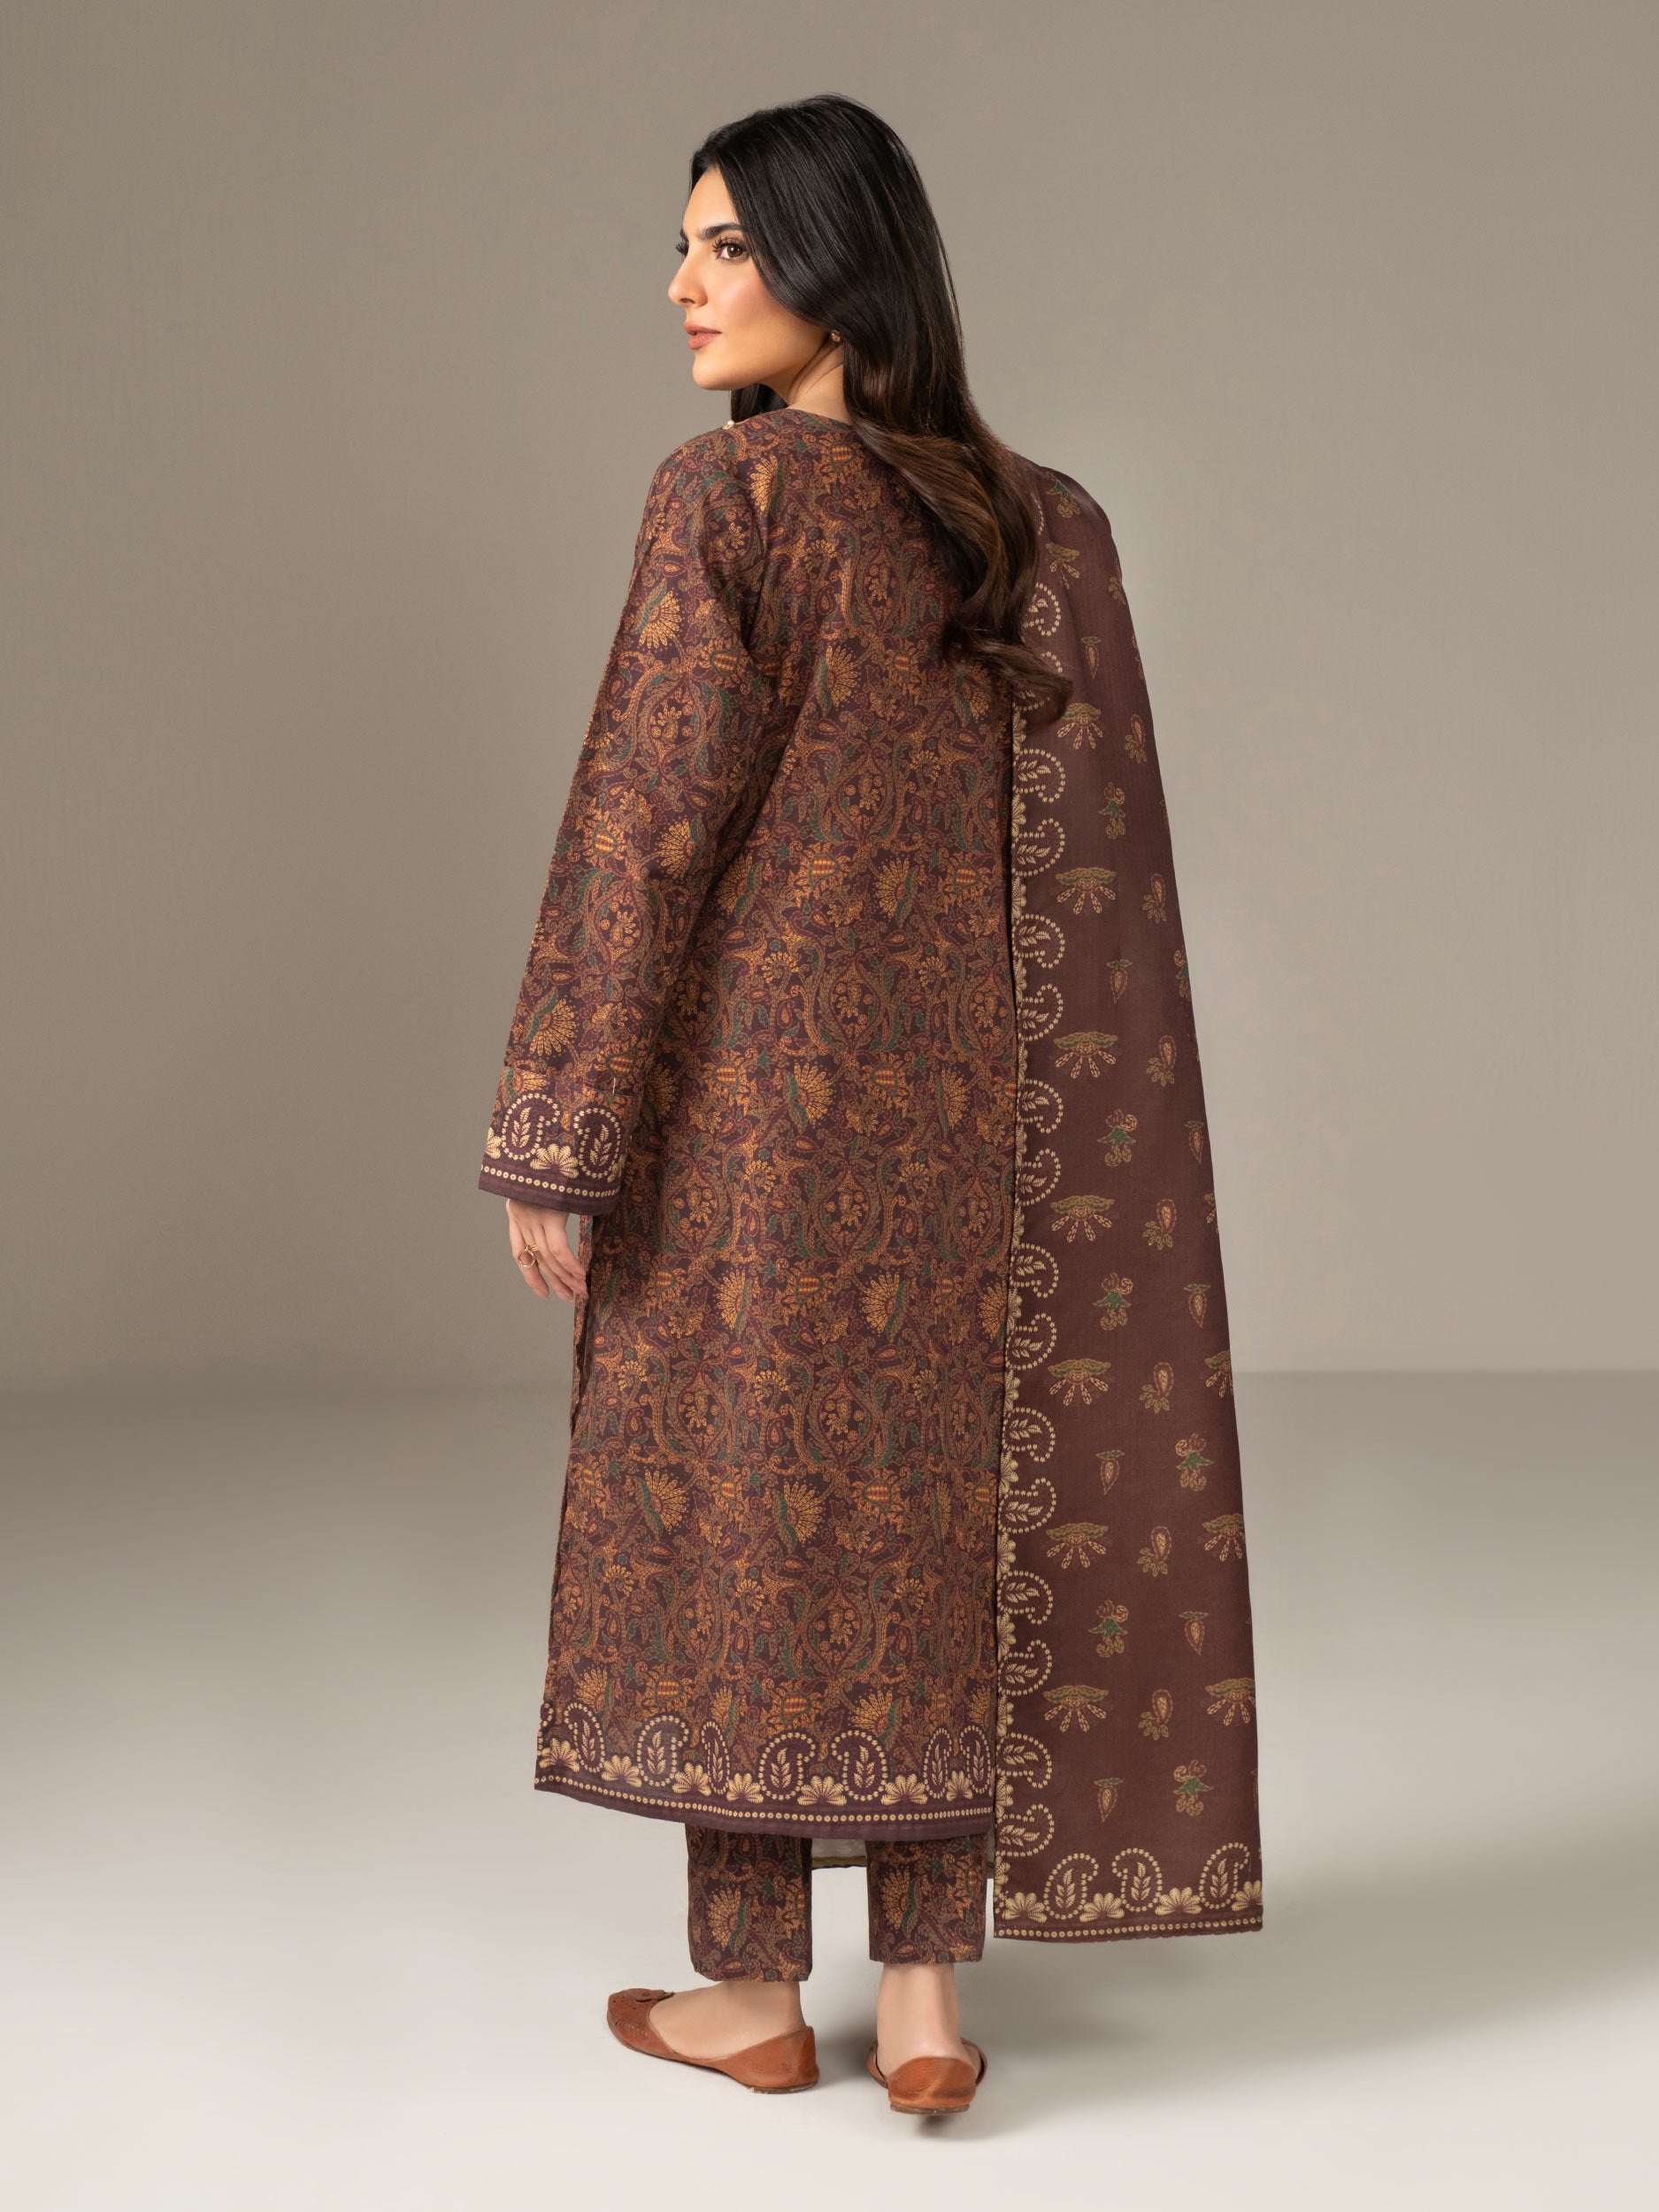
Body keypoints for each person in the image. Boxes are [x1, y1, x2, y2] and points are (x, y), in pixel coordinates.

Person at [479, 93, 1261, 2116]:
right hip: (982, 1126)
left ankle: (752, 1995)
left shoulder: (724, 501)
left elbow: (641, 826)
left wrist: (560, 1127)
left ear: (838, 263)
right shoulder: (1039, 519)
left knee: (741, 1509)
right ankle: (922, 2006)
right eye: (682, 246)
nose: (681, 286)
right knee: (928, 1512)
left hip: (748, 1118)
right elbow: (1096, 871)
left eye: (726, 245)